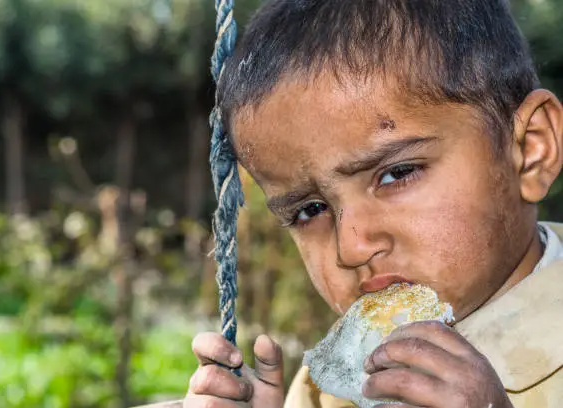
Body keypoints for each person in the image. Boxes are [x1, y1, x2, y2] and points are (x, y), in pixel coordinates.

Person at [184, 1, 563, 407]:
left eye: (397, 174)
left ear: (530, 150)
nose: (352, 247)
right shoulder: (327, 387)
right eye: (309, 211)